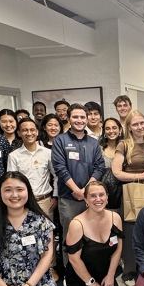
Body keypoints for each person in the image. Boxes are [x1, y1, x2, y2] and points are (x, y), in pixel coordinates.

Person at [52, 103, 105, 267]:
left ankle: (89, 267)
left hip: (91, 199)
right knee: (70, 235)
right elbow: (60, 168)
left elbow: (99, 166)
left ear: (87, 119)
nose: (79, 120)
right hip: (69, 199)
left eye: (83, 117)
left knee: (91, 234)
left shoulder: (93, 143)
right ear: (68, 118)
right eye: (75, 117)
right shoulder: (60, 140)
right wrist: (76, 190)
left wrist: (86, 192)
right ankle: (71, 270)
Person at [112, 110, 144, 286]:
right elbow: (116, 172)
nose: (139, 127)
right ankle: (129, 272)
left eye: (142, 123)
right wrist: (140, 176)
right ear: (129, 127)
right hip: (131, 194)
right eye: (135, 124)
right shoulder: (124, 145)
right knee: (131, 234)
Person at [64, 181, 123, 286]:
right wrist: (90, 282)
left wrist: (110, 275)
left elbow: (118, 249)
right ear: (85, 199)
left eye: (101, 195)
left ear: (107, 197)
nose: (98, 199)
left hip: (104, 272)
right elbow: (74, 259)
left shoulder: (115, 218)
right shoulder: (77, 224)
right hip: (81, 276)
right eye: (93, 196)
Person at [8, 118, 57, 221]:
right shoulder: (14, 156)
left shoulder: (47, 153)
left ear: (37, 131)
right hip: (24, 202)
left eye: (32, 130)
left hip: (45, 202)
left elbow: (56, 175)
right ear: (19, 133)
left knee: (47, 234)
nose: (29, 133)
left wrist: (55, 197)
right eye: (25, 130)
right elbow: (11, 182)